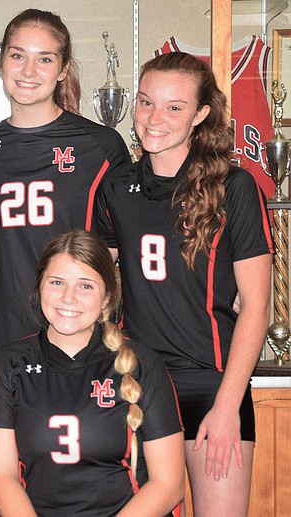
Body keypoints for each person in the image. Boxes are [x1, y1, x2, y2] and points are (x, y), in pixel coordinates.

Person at [93, 52, 273, 516]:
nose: (155, 118)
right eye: (146, 102)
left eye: (174, 107)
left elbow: (257, 306)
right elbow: (94, 284)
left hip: (211, 385)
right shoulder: (115, 187)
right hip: (138, 385)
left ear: (200, 114)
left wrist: (229, 405)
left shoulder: (234, 187)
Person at [0, 9, 130, 358]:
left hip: (79, 332)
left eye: (45, 59)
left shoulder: (101, 148)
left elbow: (126, 239)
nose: (28, 71)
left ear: (63, 69)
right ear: (2, 62)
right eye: (17, 55)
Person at [0, 230, 185, 516]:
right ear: (40, 286)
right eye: (56, 282)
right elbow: (2, 478)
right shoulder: (6, 365)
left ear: (106, 298)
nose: (69, 298)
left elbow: (168, 484)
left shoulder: (142, 364)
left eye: (86, 286)